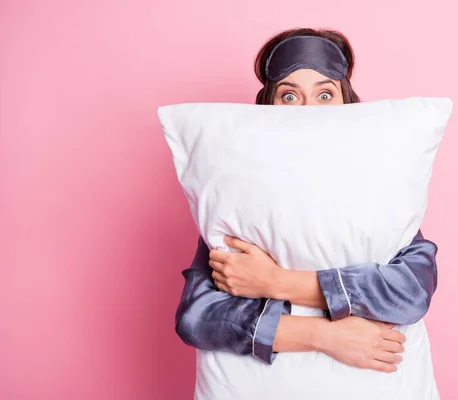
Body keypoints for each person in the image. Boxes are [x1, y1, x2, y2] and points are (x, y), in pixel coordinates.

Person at [175, 27, 438, 380]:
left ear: (349, 105)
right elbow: (199, 317)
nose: (309, 111)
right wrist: (325, 335)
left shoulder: (380, 187)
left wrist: (276, 282)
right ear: (267, 108)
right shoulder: (240, 197)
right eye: (289, 96)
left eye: (325, 94)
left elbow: (410, 291)